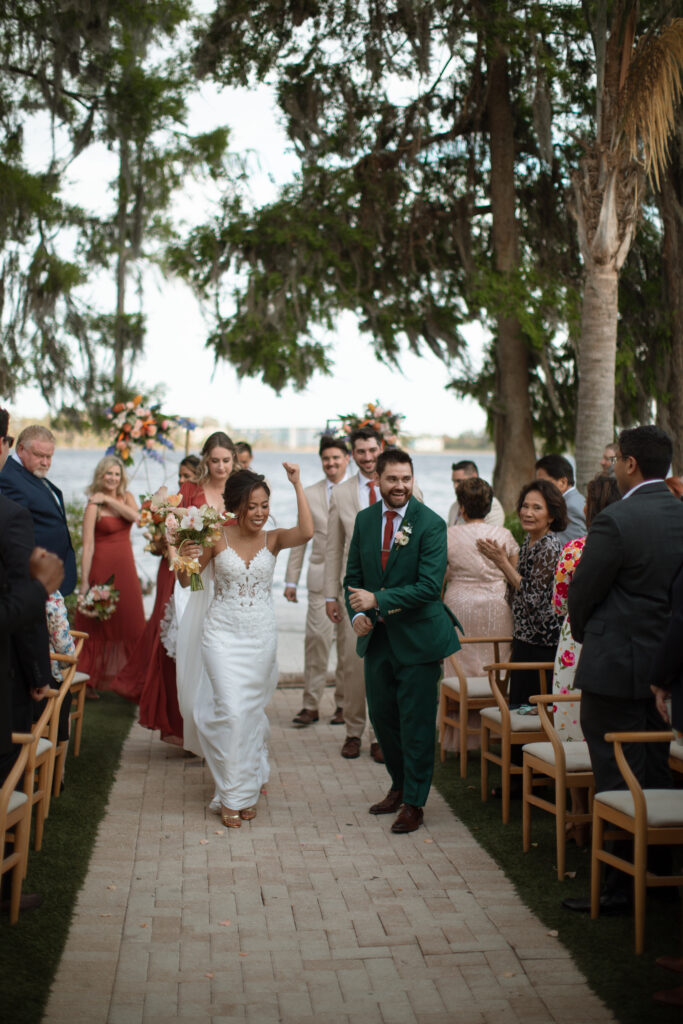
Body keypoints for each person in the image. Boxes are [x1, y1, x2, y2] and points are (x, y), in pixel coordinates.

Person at [563, 425, 683, 915]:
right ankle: (664, 881)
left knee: (615, 778)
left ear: (630, 463)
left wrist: (593, 633)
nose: (612, 467)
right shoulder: (680, 514)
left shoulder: (616, 520)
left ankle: (617, 888)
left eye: (616, 460)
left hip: (616, 670)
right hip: (670, 669)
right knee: (661, 775)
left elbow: (583, 593)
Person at [177, 465, 313, 827]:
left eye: (265, 505)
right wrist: (183, 554)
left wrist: (297, 484)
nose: (259, 513)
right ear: (237, 506)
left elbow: (308, 531)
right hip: (221, 636)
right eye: (252, 506)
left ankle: (243, 791)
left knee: (249, 717)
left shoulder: (274, 539)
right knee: (232, 714)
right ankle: (233, 796)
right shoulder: (216, 537)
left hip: (260, 638)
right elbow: (189, 582)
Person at [344, 448, 460, 833]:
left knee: (416, 722)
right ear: (377, 479)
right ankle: (398, 784)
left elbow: (429, 587)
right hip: (377, 641)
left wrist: (379, 600)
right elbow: (353, 578)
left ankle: (415, 801)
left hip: (419, 640)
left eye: (406, 479)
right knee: (384, 718)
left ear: (413, 479)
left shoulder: (430, 524)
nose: (400, 486)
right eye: (392, 479)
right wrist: (359, 614)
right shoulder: (364, 521)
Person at [112, 458, 201, 745]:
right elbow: (167, 541)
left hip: (193, 577)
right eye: (180, 475)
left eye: (188, 476)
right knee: (166, 634)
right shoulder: (172, 507)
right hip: (175, 573)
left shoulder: (200, 510)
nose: (182, 481)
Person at [442, 477, 518, 751]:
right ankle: (497, 733)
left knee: (459, 667)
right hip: (496, 608)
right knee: (495, 666)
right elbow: (514, 577)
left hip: (459, 605)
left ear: (461, 507)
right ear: (489, 507)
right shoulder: (504, 535)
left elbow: (440, 576)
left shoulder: (448, 535)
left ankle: (458, 738)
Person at [173, 432, 237, 754]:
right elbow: (180, 540)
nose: (221, 466)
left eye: (227, 460)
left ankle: (226, 729)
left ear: (234, 460)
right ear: (206, 460)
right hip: (199, 579)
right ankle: (201, 727)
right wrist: (192, 583)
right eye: (215, 460)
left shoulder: (242, 490)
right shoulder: (189, 491)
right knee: (198, 647)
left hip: (231, 579)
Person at [324, 427, 385, 761]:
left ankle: (380, 736)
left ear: (381, 448)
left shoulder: (403, 484)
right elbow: (334, 548)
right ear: (353, 454)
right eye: (360, 451)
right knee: (353, 662)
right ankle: (352, 731)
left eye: (372, 450)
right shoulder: (343, 493)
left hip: (391, 590)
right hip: (353, 590)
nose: (367, 457)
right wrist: (330, 596)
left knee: (386, 663)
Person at [285, 435, 350, 726]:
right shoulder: (309, 494)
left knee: (348, 648)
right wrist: (290, 580)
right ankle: (310, 704)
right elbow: (300, 540)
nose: (331, 463)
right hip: (318, 578)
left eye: (336, 458)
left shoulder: (356, 493)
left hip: (349, 580)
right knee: (316, 642)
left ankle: (344, 705)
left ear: (347, 459)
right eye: (326, 459)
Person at [552, 474, 621, 741]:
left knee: (572, 704)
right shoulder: (629, 546)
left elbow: (559, 605)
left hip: (576, 635)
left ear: (590, 508)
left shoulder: (573, 551)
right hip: (617, 636)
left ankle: (572, 767)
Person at [73, 456, 145, 692]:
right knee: (95, 624)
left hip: (125, 566)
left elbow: (138, 518)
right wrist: (84, 583)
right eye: (108, 474)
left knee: (132, 620)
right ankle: (87, 680)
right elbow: (88, 546)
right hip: (101, 567)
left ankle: (133, 679)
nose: (113, 478)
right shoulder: (93, 505)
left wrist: (108, 499)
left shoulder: (127, 498)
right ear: (100, 476)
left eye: (117, 474)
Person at [0, 424, 77, 595]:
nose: (45, 462)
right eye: (39, 455)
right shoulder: (9, 478)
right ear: (21, 449)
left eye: (49, 457)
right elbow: (14, 536)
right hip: (35, 581)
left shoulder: (30, 472)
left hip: (50, 579)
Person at [534, 454, 585, 544]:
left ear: (562, 482)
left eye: (543, 484)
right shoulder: (572, 501)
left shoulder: (569, 507)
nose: (540, 488)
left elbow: (572, 549)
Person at [448, 460, 505, 527]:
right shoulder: (454, 506)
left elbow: (491, 534)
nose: (455, 486)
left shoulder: (492, 505)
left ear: (474, 477)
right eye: (453, 482)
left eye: (459, 481)